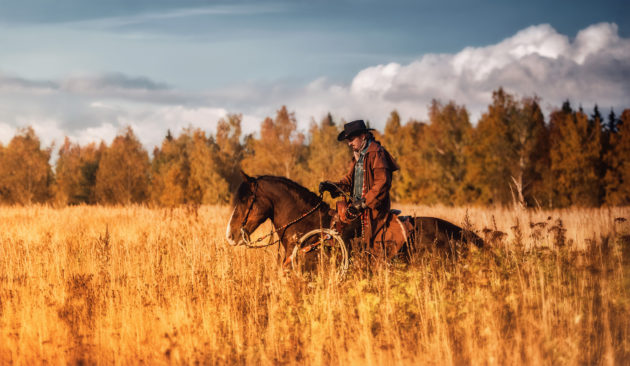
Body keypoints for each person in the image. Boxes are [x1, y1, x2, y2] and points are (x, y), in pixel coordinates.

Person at [319, 119, 399, 249]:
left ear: (363, 136)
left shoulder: (376, 153)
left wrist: (363, 203)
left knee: (345, 236)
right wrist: (332, 186)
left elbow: (382, 183)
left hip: (373, 209)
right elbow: (349, 182)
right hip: (356, 207)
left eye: (351, 139)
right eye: (348, 140)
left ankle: (349, 268)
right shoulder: (358, 156)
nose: (349, 143)